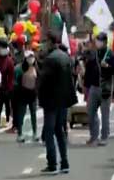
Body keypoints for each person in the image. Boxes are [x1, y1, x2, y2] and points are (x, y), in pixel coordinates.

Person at [38, 31, 77, 175]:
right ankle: (64, 162)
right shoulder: (65, 57)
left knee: (49, 131)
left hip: (51, 100)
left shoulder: (50, 59)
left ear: (49, 41)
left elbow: (43, 81)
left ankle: (52, 163)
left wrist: (41, 98)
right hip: (63, 100)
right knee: (60, 131)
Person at [15, 50, 39, 143]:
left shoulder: (36, 68)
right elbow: (16, 81)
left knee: (33, 114)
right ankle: (20, 133)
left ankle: (35, 132)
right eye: (29, 57)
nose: (31, 59)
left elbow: (38, 81)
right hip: (22, 94)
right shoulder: (19, 68)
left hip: (33, 94)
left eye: (32, 56)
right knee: (21, 114)